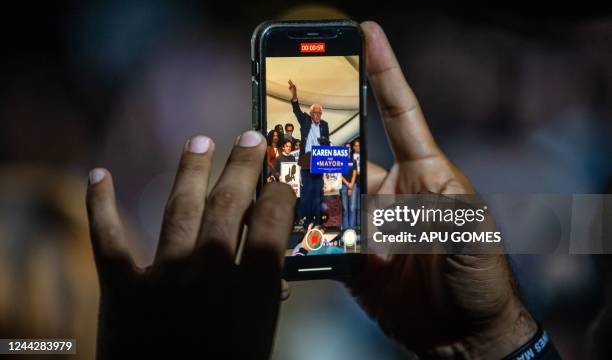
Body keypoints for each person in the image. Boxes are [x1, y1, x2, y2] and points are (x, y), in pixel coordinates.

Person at [88, 21, 559, 359]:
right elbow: (295, 115)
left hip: (325, 191)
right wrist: (497, 341)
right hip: (309, 189)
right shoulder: (304, 125)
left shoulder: (335, 340)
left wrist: (493, 338)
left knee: (323, 218)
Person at [288, 79, 329, 226]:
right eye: (316, 112)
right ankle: (307, 223)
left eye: (320, 113)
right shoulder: (305, 120)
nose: (318, 115)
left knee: (318, 193)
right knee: (307, 194)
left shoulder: (325, 125)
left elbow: (327, 142)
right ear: (311, 113)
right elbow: (296, 109)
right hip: (306, 161)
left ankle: (317, 222)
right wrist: (294, 94)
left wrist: (325, 145)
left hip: (319, 161)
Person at [340, 142, 357, 229]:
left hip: (353, 186)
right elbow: (340, 175)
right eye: (346, 148)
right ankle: (346, 229)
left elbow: (354, 174)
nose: (348, 149)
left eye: (349, 148)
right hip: (343, 186)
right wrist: (347, 184)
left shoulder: (353, 161)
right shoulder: (341, 161)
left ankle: (352, 228)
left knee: (352, 208)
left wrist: (351, 186)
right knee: (345, 209)